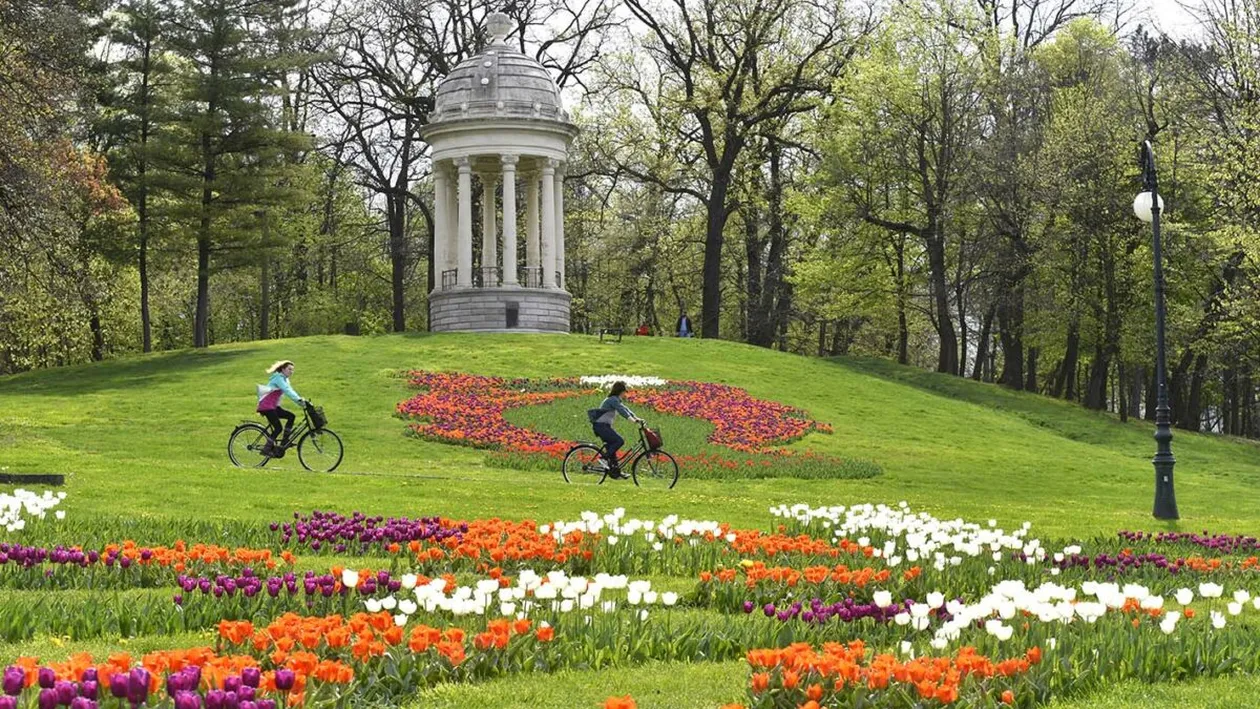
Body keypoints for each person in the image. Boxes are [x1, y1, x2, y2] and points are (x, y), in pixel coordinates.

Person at [589, 380, 644, 479]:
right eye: (625, 392)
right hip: (601, 426)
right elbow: (622, 411)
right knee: (619, 441)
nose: (625, 394)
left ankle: (616, 472)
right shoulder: (613, 400)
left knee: (612, 450)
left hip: (603, 426)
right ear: (621, 391)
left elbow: (626, 409)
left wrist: (636, 418)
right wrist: (632, 420)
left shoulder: (615, 399)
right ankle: (603, 459)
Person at [257, 360, 305, 454]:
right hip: (267, 406)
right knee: (278, 428)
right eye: (289, 369)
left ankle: (285, 441)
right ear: (283, 369)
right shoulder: (278, 378)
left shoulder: (285, 379)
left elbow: (291, 390)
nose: (291, 372)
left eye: (292, 370)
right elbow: (287, 390)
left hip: (274, 406)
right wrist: (299, 401)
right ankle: (266, 449)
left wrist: (301, 401)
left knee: (291, 416)